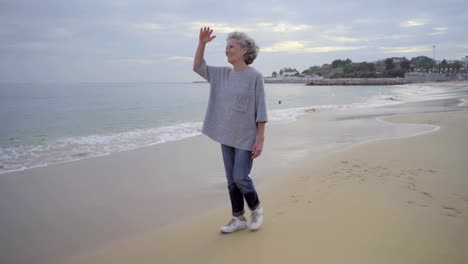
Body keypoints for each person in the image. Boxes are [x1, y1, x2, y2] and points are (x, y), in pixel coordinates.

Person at [193, 27, 268, 233]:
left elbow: (261, 110)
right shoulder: (221, 74)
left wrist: (260, 140)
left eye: (231, 47)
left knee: (240, 177)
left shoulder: (255, 77)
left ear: (244, 50)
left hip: (246, 137)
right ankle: (238, 218)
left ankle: (256, 209)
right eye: (226, 47)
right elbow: (198, 66)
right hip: (227, 136)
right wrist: (202, 44)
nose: (227, 50)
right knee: (231, 181)